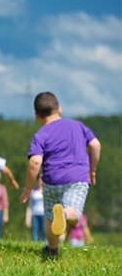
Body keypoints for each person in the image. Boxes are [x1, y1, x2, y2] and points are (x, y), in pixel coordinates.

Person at [19, 92, 101, 257]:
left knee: (50, 216)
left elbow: (35, 162)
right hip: (77, 178)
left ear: (37, 116)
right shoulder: (78, 125)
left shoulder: (40, 135)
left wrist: (29, 187)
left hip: (51, 181)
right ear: (60, 110)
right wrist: (92, 169)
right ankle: (64, 214)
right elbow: (95, 145)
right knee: (74, 212)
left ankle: (52, 250)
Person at [25, 174, 47, 242]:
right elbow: (29, 205)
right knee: (35, 233)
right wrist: (27, 218)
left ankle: (45, 246)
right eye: (40, 179)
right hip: (34, 214)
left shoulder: (47, 191)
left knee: (45, 233)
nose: (41, 180)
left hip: (44, 214)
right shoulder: (33, 191)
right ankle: (35, 246)